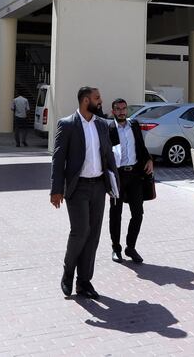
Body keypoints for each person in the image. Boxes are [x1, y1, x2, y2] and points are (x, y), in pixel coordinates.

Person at [50, 86, 119, 300]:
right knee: (80, 232)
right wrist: (56, 190)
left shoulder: (102, 125)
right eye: (97, 98)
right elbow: (59, 158)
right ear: (85, 100)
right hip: (77, 187)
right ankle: (68, 273)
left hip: (98, 186)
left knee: (93, 235)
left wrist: (114, 184)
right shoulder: (68, 124)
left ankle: (84, 281)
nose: (101, 101)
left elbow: (108, 155)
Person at [108, 98, 154, 264]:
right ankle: (116, 248)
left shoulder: (134, 125)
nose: (121, 111)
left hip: (134, 175)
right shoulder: (109, 128)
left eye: (124, 108)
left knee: (138, 213)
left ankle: (130, 247)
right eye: (118, 109)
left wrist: (148, 159)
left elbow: (140, 146)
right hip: (117, 176)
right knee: (116, 213)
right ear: (113, 111)